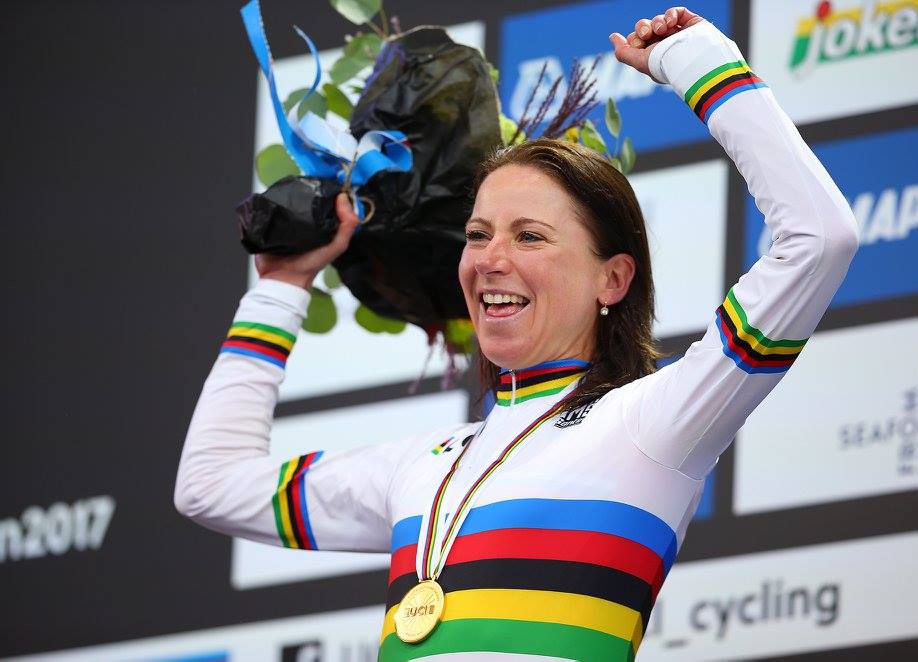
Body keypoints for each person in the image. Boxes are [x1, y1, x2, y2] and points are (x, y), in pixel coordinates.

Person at [175, 7, 859, 661]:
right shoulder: (423, 466)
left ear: (612, 280)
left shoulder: (653, 421)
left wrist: (697, 62)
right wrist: (280, 286)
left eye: (530, 235)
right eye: (477, 235)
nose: (490, 259)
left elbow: (819, 238)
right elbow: (210, 484)